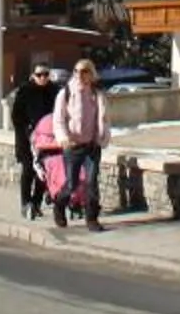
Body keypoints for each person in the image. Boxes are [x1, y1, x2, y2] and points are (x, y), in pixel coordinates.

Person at [49, 57, 109, 231]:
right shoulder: (66, 93)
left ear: (91, 74)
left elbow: (104, 119)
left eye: (84, 71)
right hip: (73, 146)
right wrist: (64, 138)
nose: (80, 75)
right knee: (71, 184)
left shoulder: (97, 94)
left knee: (91, 183)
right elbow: (58, 120)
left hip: (91, 145)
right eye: (76, 71)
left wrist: (102, 138)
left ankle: (92, 219)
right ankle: (59, 205)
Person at [10, 61, 60, 218]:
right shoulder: (25, 91)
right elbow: (16, 116)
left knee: (44, 171)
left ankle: (37, 203)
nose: (43, 78)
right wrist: (27, 129)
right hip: (27, 139)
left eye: (46, 74)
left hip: (48, 139)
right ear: (33, 76)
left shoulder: (54, 91)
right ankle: (26, 203)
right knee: (28, 170)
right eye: (39, 75)